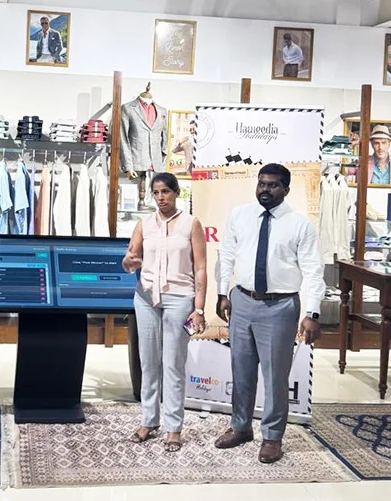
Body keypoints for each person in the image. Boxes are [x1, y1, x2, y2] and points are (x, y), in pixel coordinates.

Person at [214, 163, 325, 464]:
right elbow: (227, 256)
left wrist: (313, 312)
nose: (265, 189)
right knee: (241, 370)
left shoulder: (300, 225)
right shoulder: (240, 215)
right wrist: (223, 293)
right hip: (242, 301)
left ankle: (273, 437)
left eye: (273, 185)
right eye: (262, 183)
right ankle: (240, 427)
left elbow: (314, 271)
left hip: (280, 306)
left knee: (275, 376)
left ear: (286, 189)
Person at [122, 173, 207, 453]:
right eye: (156, 192)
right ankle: (149, 420)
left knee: (173, 364)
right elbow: (129, 262)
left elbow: (200, 269)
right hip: (146, 298)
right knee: (148, 362)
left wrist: (199, 308)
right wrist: (129, 261)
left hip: (179, 299)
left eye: (166, 192)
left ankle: (173, 427)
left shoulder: (191, 224)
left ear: (176, 192)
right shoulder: (144, 224)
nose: (161, 198)